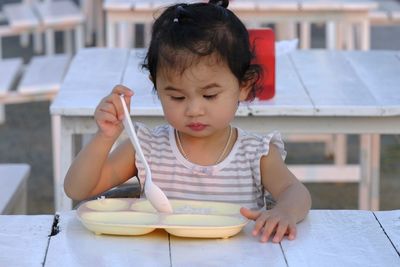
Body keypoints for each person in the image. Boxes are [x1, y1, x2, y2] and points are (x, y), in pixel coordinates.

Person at [64, 0, 311, 243]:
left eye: (210, 95)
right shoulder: (146, 147)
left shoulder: (256, 153)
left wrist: (285, 211)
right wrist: (104, 137)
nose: (194, 109)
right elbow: (78, 190)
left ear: (243, 86)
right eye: (177, 96)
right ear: (157, 87)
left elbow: (296, 192)